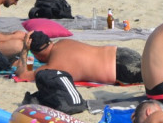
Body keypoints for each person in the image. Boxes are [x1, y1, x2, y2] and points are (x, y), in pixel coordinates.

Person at [11, 31, 143, 85]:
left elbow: (23, 75)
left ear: (36, 54)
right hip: (122, 52)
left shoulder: (53, 67)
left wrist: (24, 51)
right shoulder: (63, 42)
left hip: (121, 71)